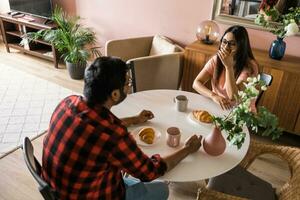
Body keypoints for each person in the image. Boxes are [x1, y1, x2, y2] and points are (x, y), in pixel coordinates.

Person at [42, 56, 202, 200]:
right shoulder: (114, 134)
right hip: (95, 195)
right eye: (127, 83)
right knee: (162, 189)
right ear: (115, 95)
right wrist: (187, 149)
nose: (129, 87)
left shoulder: (67, 102)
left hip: (59, 190)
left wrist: (135, 119)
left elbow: (95, 124)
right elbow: (150, 172)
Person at [193, 25, 258, 110]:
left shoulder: (249, 66)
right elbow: (196, 83)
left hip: (240, 112)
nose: (226, 47)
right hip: (218, 107)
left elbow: (233, 97)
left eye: (232, 44)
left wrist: (228, 67)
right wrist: (213, 96)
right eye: (224, 42)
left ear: (241, 47)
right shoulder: (216, 59)